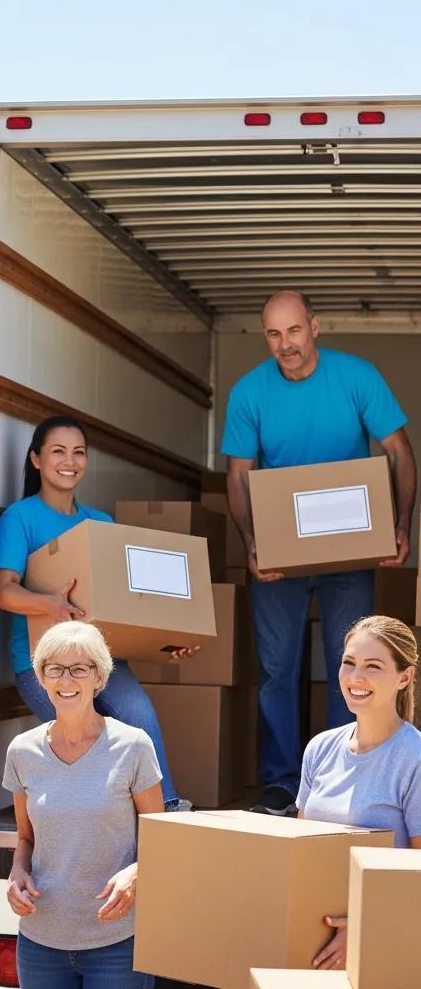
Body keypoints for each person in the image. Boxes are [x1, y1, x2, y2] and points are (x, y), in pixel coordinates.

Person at [222, 289, 416, 817]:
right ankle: (281, 784)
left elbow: (400, 453)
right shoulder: (249, 392)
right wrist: (252, 544)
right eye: (273, 334)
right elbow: (237, 475)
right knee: (276, 671)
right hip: (280, 556)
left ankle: (345, 778)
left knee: (349, 668)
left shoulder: (357, 378)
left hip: (349, 555)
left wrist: (401, 525)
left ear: (314, 326)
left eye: (293, 330)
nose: (285, 344)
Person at [0, 414, 195, 811]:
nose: (70, 461)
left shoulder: (101, 522)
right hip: (43, 663)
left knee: (139, 716)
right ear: (36, 459)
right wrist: (51, 605)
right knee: (89, 737)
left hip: (101, 661)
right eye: (58, 451)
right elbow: (4, 592)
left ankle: (165, 812)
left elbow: (126, 601)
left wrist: (169, 642)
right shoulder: (21, 517)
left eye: (79, 452)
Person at [3, 621, 162, 989]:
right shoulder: (21, 751)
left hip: (117, 942)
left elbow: (160, 838)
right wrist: (17, 873)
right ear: (41, 678)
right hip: (40, 944)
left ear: (99, 677)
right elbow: (26, 839)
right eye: (55, 669)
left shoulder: (134, 746)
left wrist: (137, 872)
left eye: (79, 669)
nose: (66, 680)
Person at [296, 614, 421, 971]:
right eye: (349, 662)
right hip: (308, 930)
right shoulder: (319, 749)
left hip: (384, 940)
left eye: (373, 666)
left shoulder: (414, 759)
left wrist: (365, 926)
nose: (355, 677)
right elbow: (298, 851)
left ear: (404, 677)